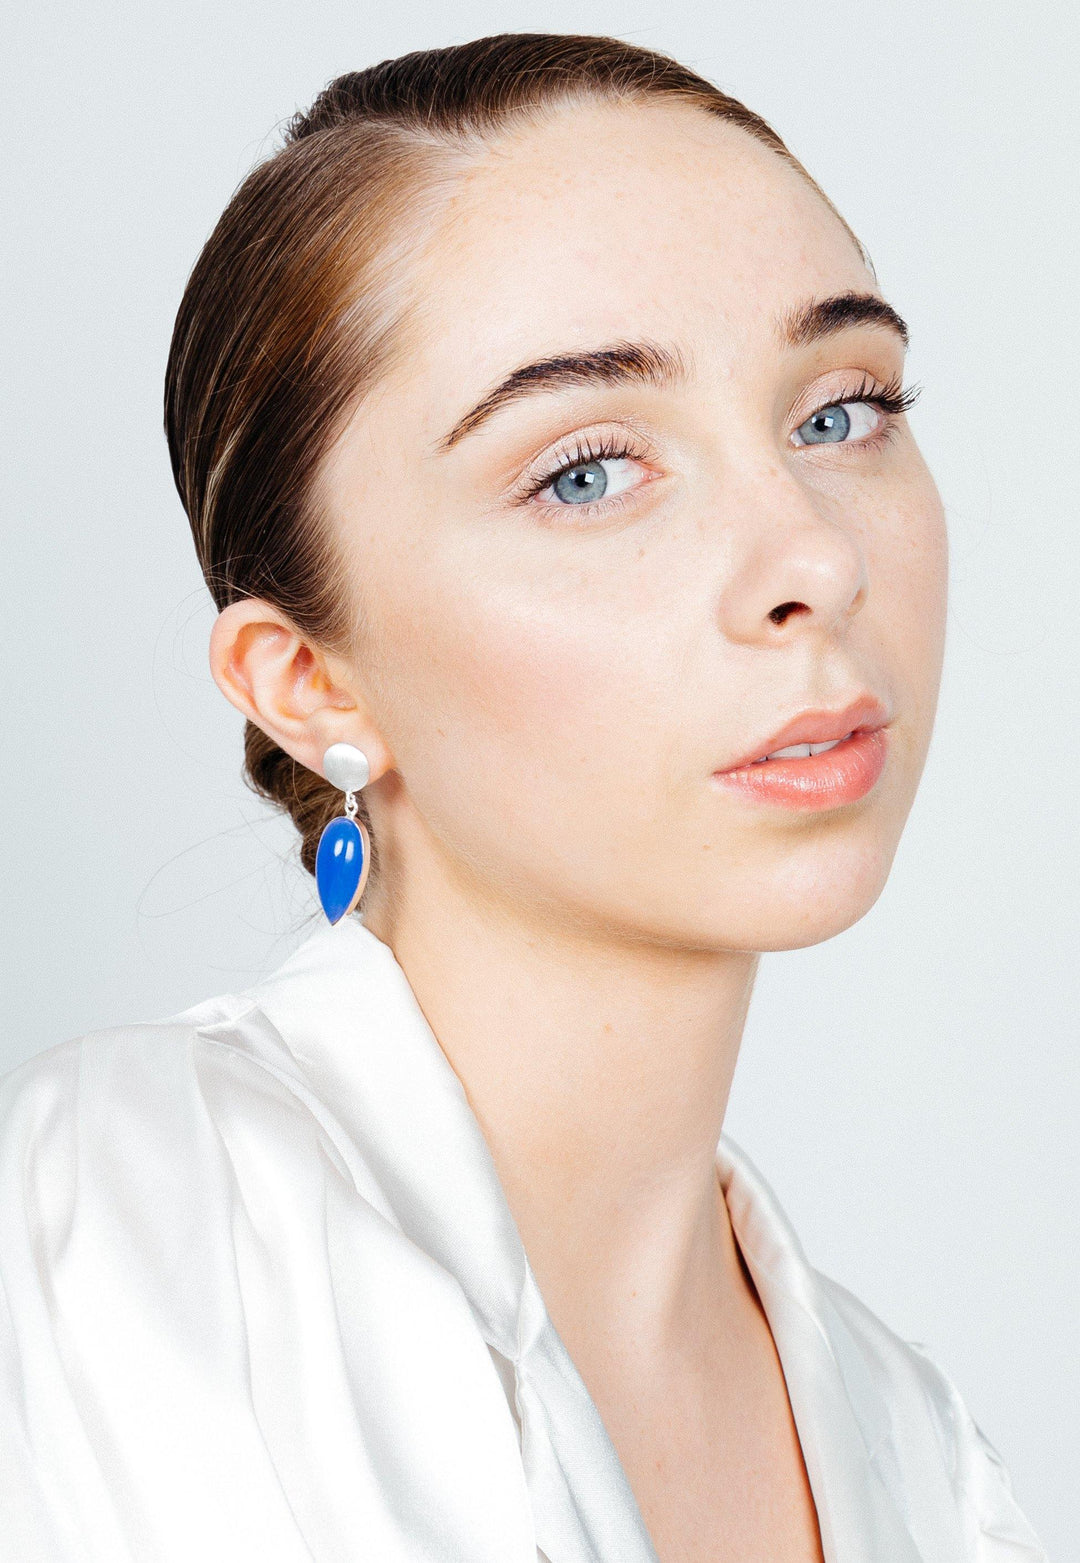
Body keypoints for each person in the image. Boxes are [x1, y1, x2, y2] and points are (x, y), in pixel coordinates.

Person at [0, 32, 1048, 1563]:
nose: (817, 558)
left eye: (841, 411)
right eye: (586, 471)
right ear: (309, 684)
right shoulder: (146, 1218)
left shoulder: (925, 1458)